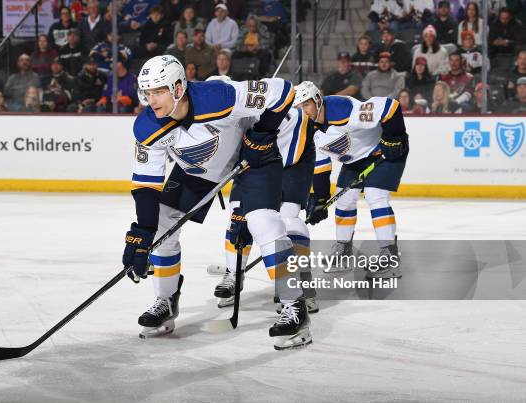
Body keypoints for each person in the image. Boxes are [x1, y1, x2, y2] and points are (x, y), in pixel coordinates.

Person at [126, 55, 311, 349]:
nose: (152, 100)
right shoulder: (147, 126)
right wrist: (143, 233)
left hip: (252, 159)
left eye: (158, 91)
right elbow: (146, 186)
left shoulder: (219, 96)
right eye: (147, 93)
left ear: (177, 88)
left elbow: (283, 91)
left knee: (264, 223)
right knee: (161, 224)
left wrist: (262, 134)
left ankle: (294, 305)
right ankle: (166, 300)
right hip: (197, 170)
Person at [212, 78, 326, 314]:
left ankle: (301, 284)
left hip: (290, 163)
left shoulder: (291, 118)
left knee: (287, 218)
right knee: (238, 216)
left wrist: (320, 195)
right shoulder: (228, 120)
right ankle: (234, 273)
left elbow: (288, 157)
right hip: (257, 159)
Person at [296, 82, 408, 278]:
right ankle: (343, 252)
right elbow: (321, 167)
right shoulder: (308, 130)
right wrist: (320, 199)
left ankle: (390, 256)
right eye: (298, 107)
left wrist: (394, 137)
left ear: (317, 100)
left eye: (306, 105)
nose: (303, 112)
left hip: (384, 151)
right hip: (354, 161)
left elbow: (390, 107)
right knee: (344, 201)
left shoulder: (342, 110)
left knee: (376, 196)